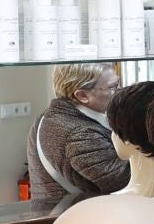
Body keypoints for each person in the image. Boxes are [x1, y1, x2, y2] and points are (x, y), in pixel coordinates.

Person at [27, 64, 126, 202]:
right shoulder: (80, 134)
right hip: (78, 219)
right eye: (112, 87)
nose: (119, 91)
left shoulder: (50, 116)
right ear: (82, 95)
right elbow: (123, 182)